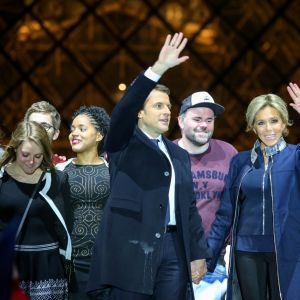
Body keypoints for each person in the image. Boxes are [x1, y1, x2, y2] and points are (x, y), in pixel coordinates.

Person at [87, 32, 208, 300]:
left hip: (174, 250)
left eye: (168, 105)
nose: (166, 111)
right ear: (139, 113)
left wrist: (198, 254)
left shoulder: (178, 154)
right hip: (131, 249)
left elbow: (189, 208)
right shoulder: (122, 142)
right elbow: (123, 110)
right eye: (158, 105)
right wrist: (158, 69)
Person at [207, 83, 300, 300]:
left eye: (274, 121)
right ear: (253, 126)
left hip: (286, 250)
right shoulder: (240, 161)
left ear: (285, 123)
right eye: (261, 122)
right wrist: (206, 256)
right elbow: (225, 214)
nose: (269, 129)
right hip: (246, 251)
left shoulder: (296, 156)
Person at [175, 91, 237, 299]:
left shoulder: (228, 153)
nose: (204, 125)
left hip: (217, 261)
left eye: (209, 120)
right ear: (181, 121)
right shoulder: (166, 154)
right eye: (197, 119)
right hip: (174, 259)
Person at [0, 121, 71, 299]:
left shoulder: (57, 179)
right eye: (25, 154)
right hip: (11, 266)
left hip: (48, 267)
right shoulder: (2, 179)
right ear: (14, 148)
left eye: (38, 156)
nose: (31, 162)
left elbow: (67, 223)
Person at [56, 105, 110, 299]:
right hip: (69, 263)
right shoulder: (60, 171)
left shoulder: (114, 171)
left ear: (99, 135)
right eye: (72, 129)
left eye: (82, 128)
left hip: (107, 263)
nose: (74, 133)